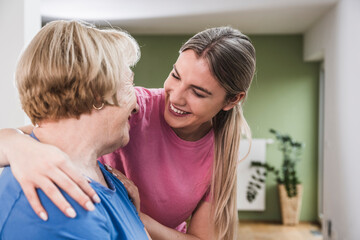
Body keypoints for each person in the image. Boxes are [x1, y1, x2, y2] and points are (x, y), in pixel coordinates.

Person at [0, 26, 256, 240]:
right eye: (175, 76)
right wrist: (17, 145)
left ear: (231, 100)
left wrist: (131, 213)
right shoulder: (135, 108)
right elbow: (54, 126)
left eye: (198, 92)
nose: (176, 97)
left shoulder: (220, 151)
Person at [0, 20, 150, 240]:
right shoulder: (54, 203)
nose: (137, 105)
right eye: (129, 85)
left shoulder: (107, 178)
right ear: (98, 95)